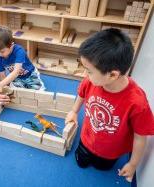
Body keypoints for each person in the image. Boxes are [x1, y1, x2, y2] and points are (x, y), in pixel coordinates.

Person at [65, 28, 154, 182]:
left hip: (110, 152)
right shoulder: (90, 82)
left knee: (102, 167)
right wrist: (74, 111)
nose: (85, 75)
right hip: (86, 139)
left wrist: (133, 164)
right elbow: (82, 94)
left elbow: (141, 137)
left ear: (113, 74)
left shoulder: (137, 102)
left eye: (89, 71)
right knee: (81, 161)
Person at [0, 26, 45, 93]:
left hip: (30, 75)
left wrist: (0, 85)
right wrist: (4, 86)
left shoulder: (19, 51)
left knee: (39, 92)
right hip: (16, 78)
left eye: (2, 51)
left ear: (11, 45)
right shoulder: (0, 55)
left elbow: (16, 72)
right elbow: (2, 74)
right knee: (14, 92)